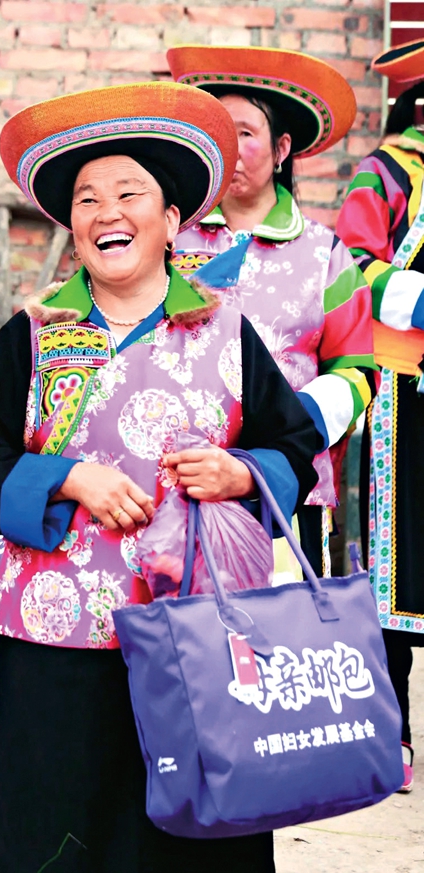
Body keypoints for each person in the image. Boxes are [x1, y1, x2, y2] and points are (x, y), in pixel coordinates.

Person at [0, 82, 322, 873]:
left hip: (201, 640)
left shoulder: (224, 329)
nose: (106, 212)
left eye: (128, 194)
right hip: (59, 637)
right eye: (86, 199)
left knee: (192, 836)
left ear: (173, 220)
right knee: (52, 823)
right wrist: (68, 478)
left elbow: (293, 445)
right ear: (72, 225)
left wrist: (239, 472)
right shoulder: (37, 334)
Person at [167, 46, 377, 577]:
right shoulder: (167, 239)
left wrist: (289, 430)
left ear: (282, 148)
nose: (230, 150)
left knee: (276, 636)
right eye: (218, 134)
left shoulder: (323, 254)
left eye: (245, 133)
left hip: (282, 486)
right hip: (178, 477)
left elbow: (357, 372)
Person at [336, 37, 424, 794]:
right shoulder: (392, 171)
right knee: (393, 578)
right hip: (406, 398)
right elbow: (354, 263)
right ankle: (389, 730)